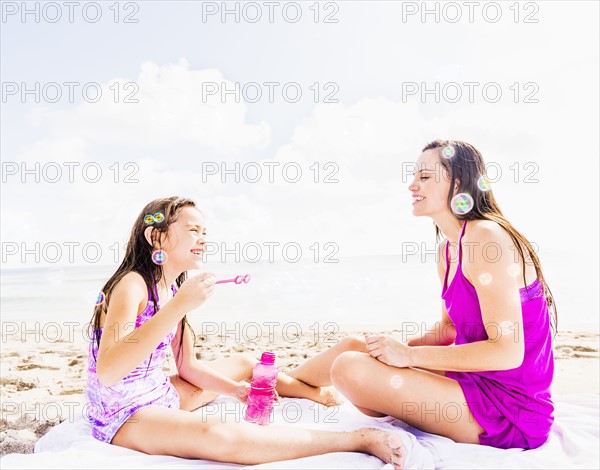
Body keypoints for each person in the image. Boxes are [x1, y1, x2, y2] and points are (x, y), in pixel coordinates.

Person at [84, 196, 405, 467]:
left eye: (204, 231)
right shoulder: (132, 285)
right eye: (192, 230)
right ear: (156, 238)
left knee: (244, 362)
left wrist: (236, 391)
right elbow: (110, 371)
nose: (202, 238)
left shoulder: (172, 288)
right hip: (123, 413)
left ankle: (315, 393)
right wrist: (178, 307)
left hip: (159, 394)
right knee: (220, 435)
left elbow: (188, 367)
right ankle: (358, 440)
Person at [289, 140, 556, 450]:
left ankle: (283, 384)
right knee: (355, 348)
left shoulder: (486, 238)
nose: (412, 185)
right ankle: (276, 382)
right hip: (474, 382)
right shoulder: (447, 250)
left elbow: (507, 352)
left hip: (511, 412)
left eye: (425, 177)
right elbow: (450, 329)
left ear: (457, 183)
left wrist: (410, 357)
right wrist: (397, 348)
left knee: (350, 367)